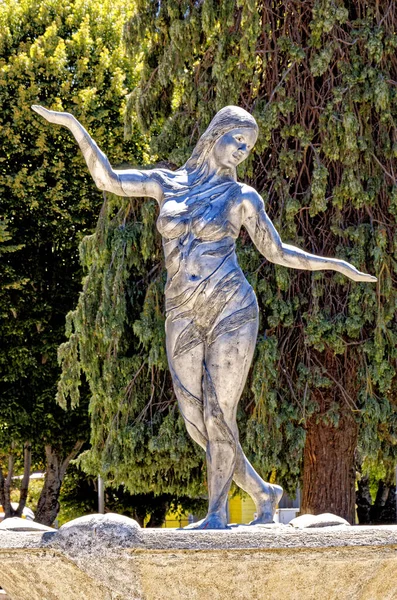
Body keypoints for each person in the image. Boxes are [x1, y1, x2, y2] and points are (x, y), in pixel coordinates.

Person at [32, 104, 377, 529]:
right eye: (237, 140)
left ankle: (216, 514)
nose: (241, 152)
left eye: (248, 148)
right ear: (218, 134)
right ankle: (261, 491)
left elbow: (278, 252)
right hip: (182, 310)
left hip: (231, 308)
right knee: (197, 421)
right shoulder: (166, 183)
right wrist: (73, 126)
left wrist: (335, 265)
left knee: (219, 413)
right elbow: (109, 180)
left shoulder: (242, 197)